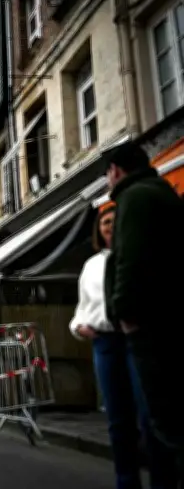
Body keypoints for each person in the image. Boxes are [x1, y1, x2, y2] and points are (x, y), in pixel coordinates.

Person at [70, 203, 178, 489]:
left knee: (150, 416)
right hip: (105, 343)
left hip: (138, 338)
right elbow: (82, 308)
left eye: (115, 221)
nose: (110, 226)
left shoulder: (140, 255)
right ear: (98, 229)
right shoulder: (92, 266)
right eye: (105, 221)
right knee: (119, 421)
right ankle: (126, 482)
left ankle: (163, 482)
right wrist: (79, 327)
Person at [104, 141, 184, 471]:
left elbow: (132, 261)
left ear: (116, 171)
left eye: (107, 174)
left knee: (167, 420)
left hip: (151, 325)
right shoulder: (160, 191)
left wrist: (126, 314)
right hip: (165, 318)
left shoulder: (135, 198)